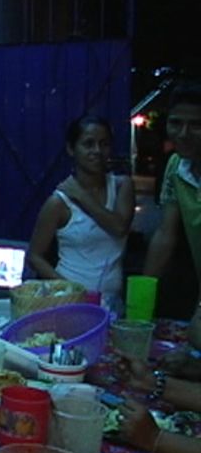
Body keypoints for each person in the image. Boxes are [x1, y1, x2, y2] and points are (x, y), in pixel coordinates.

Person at [28, 115, 135, 311]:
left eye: (104, 144)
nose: (97, 151)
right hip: (69, 303)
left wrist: (82, 196)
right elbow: (35, 256)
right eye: (88, 144)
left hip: (112, 302)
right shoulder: (58, 203)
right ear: (71, 149)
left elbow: (119, 227)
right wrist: (70, 290)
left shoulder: (121, 186)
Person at [144, 81, 201, 319]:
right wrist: (143, 295)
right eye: (176, 123)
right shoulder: (176, 166)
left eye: (196, 125)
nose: (183, 133)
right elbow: (166, 235)